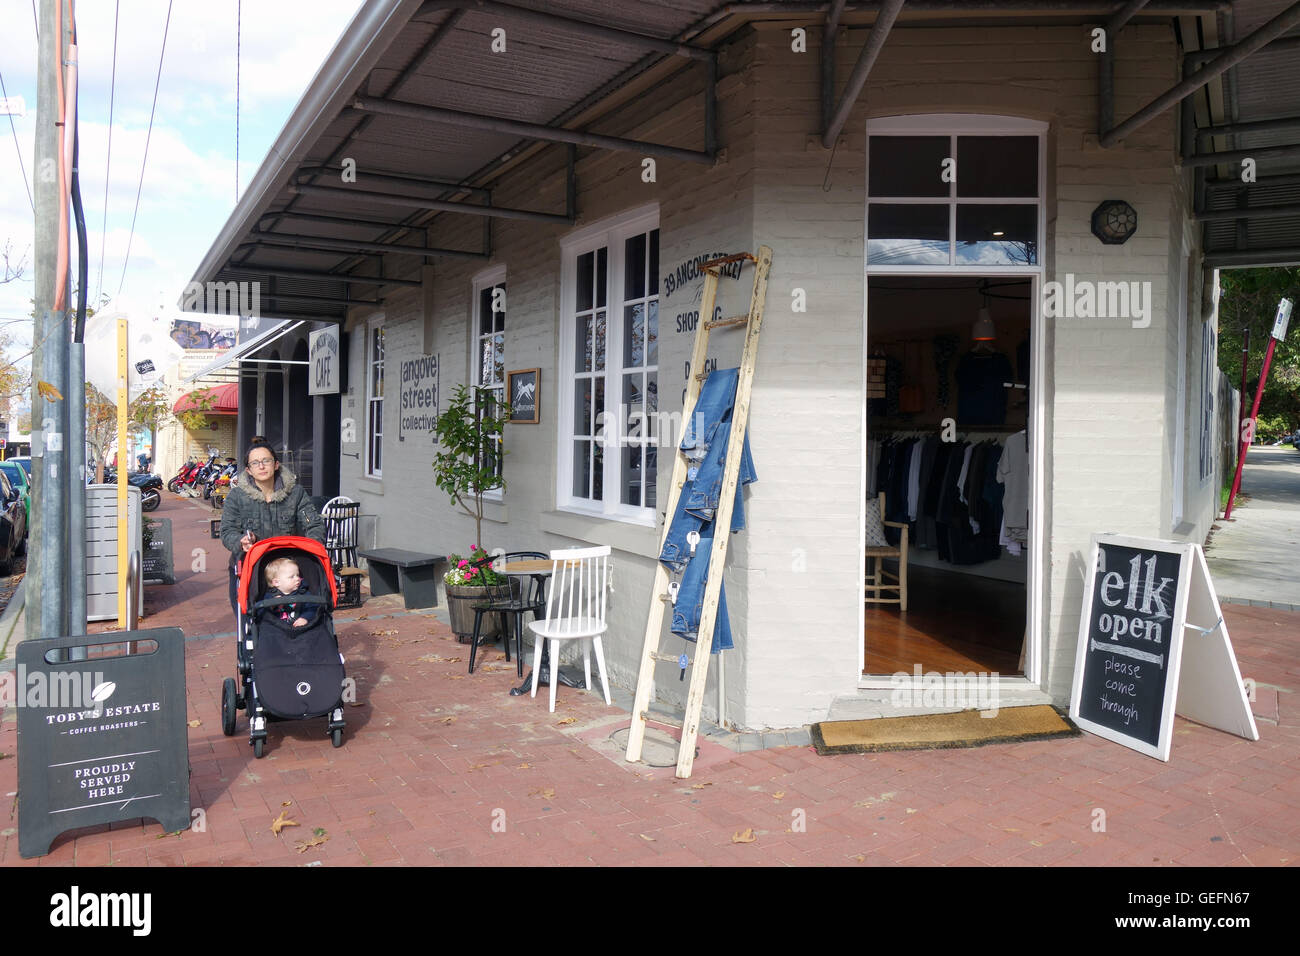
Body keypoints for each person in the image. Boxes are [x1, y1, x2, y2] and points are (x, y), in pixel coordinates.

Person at [220, 442, 325, 615]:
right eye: (255, 463)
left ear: (276, 464)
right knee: (250, 617)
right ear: (248, 470)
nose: (261, 466)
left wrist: (311, 547)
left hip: (289, 568)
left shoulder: (296, 494)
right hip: (251, 567)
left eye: (266, 460)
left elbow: (314, 524)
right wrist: (241, 542)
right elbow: (227, 531)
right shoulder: (236, 497)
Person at [263, 557, 319, 628]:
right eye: (292, 577)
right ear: (276, 582)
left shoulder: (303, 593)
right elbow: (262, 613)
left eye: (297, 575)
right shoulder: (270, 596)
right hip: (277, 629)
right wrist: (272, 604)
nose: (297, 578)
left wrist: (305, 618)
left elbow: (312, 608)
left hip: (300, 628)